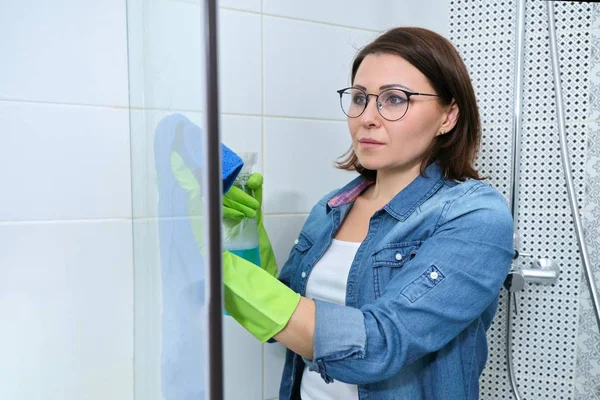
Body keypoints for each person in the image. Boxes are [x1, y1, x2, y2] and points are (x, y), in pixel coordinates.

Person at [221, 27, 514, 400]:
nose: (367, 118)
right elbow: (289, 325)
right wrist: (243, 234)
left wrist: (225, 275)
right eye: (360, 98)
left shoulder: (475, 216)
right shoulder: (332, 207)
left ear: (449, 116)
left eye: (394, 99)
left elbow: (380, 344)